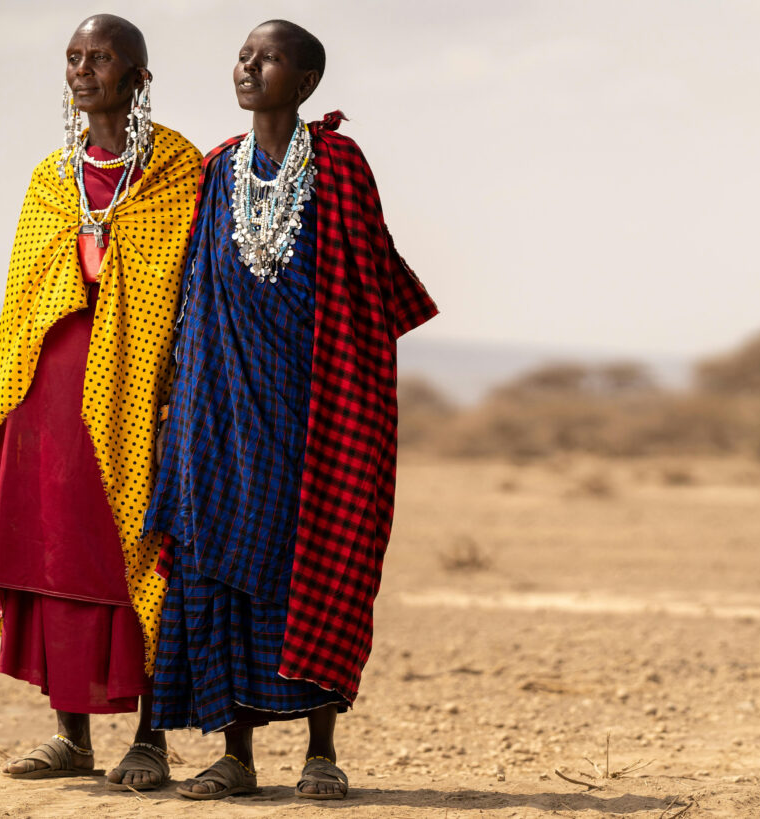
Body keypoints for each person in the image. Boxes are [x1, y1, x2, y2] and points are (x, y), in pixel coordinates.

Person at [143, 19, 438, 801]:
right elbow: (196, 288)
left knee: (313, 560)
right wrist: (178, 402)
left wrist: (353, 394)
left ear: (304, 83)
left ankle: (321, 750)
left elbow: (366, 283)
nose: (247, 67)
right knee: (215, 563)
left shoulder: (339, 165)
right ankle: (233, 753)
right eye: (244, 55)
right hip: (217, 410)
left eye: (267, 58)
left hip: (314, 407)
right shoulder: (218, 169)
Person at [0, 14, 202, 791]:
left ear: (138, 75)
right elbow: (24, 297)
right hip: (46, 394)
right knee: (54, 553)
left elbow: (194, 291)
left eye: (101, 57)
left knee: (139, 553)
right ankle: (70, 736)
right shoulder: (50, 177)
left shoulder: (177, 169)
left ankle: (151, 739)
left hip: (139, 391)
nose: (82, 69)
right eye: (73, 57)